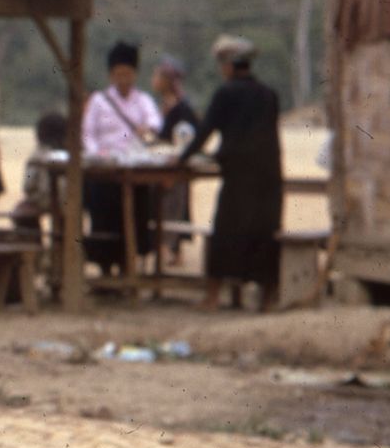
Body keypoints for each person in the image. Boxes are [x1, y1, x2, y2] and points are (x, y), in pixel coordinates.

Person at [182, 35, 284, 312]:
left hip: (238, 175)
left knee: (226, 233)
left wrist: (181, 158)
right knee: (265, 234)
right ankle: (267, 300)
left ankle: (213, 297)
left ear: (227, 66)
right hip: (268, 176)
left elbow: (205, 131)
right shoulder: (269, 94)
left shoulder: (225, 93)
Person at [81, 41, 163, 273]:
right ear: (111, 75)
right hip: (105, 171)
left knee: (134, 220)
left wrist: (147, 128)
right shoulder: (99, 101)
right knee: (104, 221)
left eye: (127, 74)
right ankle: (105, 270)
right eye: (118, 74)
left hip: (134, 170)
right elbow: (87, 133)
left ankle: (129, 266)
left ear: (135, 74)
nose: (123, 79)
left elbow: (155, 122)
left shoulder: (143, 100)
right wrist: (97, 155)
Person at [151, 55, 197, 253]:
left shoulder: (179, 106)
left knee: (174, 205)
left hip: (174, 162)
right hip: (169, 160)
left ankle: (172, 248)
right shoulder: (168, 104)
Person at [13, 111, 69, 232]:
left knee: (20, 211)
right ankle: (64, 239)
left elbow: (28, 185)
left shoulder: (37, 154)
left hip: (43, 199)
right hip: (70, 201)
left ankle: (34, 241)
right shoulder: (72, 154)